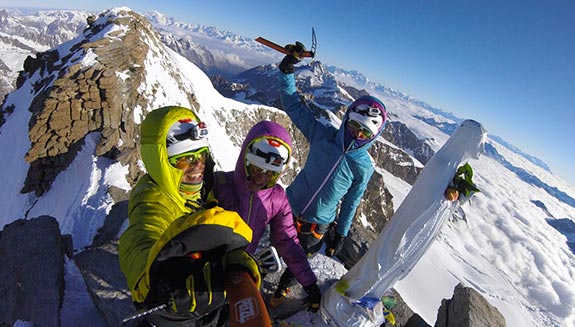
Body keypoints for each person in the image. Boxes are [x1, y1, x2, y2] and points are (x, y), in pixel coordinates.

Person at [118, 106, 260, 327]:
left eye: (201, 157)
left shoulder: (198, 191)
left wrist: (233, 259)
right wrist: (162, 279)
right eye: (185, 160)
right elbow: (140, 239)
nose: (197, 167)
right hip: (174, 310)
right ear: (162, 161)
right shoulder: (152, 199)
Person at [272, 43, 388, 302]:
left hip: (317, 224)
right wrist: (287, 71)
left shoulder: (363, 167)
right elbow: (294, 105)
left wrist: (341, 232)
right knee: (271, 246)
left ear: (374, 136)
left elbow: (352, 200)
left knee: (298, 262)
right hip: (288, 206)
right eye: (356, 126)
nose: (358, 134)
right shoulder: (322, 135)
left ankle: (282, 287)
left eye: (366, 133)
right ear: (347, 119)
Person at [213, 120, 321, 311]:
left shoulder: (277, 198)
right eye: (256, 169)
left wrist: (309, 284)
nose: (260, 178)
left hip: (244, 272)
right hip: (210, 270)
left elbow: (287, 242)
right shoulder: (220, 185)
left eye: (270, 174)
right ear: (245, 161)